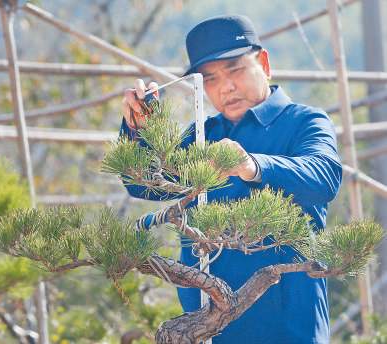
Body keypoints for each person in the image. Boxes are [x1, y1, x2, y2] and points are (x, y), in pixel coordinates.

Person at [119, 14, 342, 344]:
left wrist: (252, 166)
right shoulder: (203, 135)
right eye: (209, 79)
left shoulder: (304, 122)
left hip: (288, 327)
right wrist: (137, 130)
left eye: (235, 69)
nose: (225, 86)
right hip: (208, 326)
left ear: (263, 63)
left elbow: (325, 177)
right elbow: (142, 184)